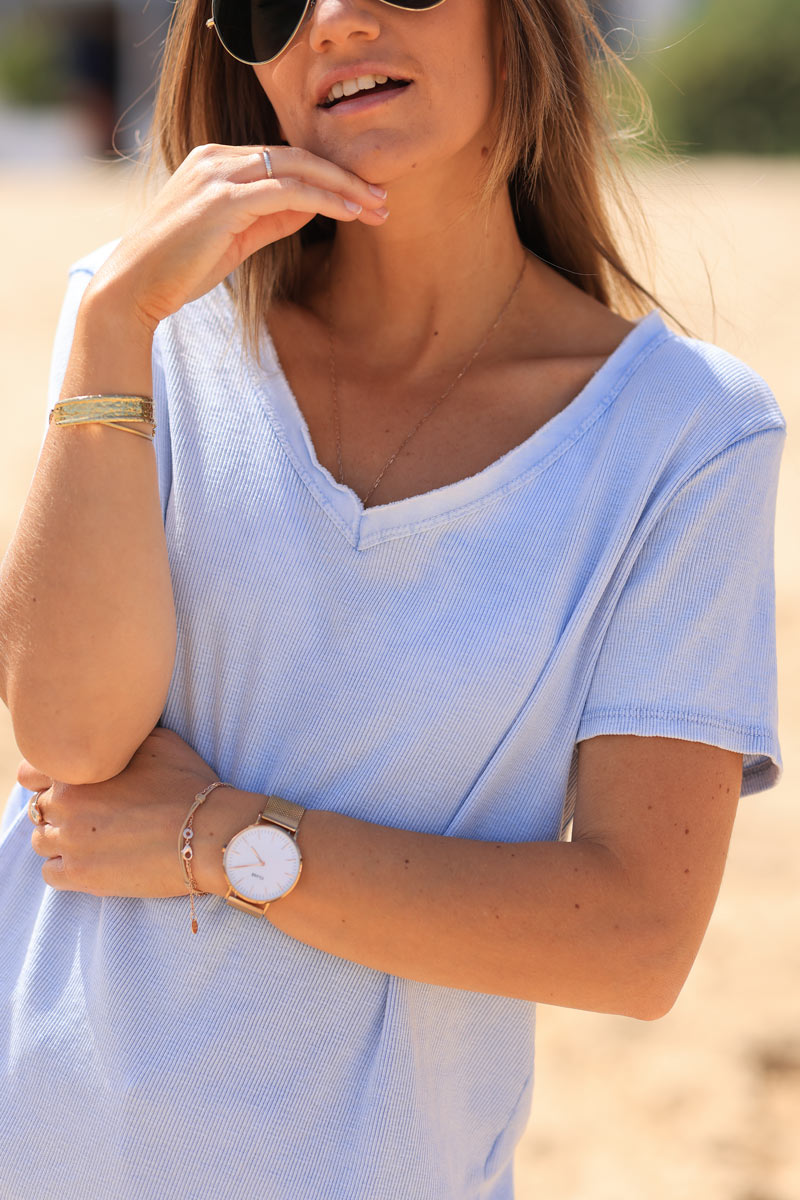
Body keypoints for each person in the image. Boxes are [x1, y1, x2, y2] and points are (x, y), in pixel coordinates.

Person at [0, 1, 786, 1197]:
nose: (333, 20)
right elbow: (65, 738)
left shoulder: (682, 436)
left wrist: (218, 836)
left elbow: (632, 936)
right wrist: (111, 328)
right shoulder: (142, 329)